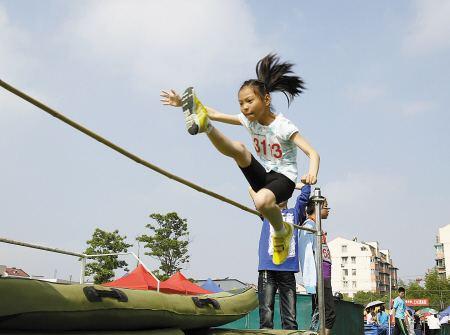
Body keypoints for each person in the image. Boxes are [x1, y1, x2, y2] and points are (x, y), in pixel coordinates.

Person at [161, 53, 320, 265]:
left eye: (249, 101)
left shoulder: (283, 126)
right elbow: (214, 112)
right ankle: (206, 128)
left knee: (262, 201)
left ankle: (281, 231)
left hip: (285, 179)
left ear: (266, 99)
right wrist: (184, 104)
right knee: (241, 150)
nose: (244, 107)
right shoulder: (248, 120)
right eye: (241, 103)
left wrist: (312, 172)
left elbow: (313, 153)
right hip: (264, 176)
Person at [257, 183, 310, 330]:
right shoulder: (267, 211)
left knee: (290, 316)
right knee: (266, 313)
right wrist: (274, 185)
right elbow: (258, 192)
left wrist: (291, 184)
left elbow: (305, 195)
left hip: (287, 268)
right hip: (268, 266)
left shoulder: (295, 212)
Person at [298, 196, 336, 335]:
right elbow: (306, 255)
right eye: (326, 206)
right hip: (318, 277)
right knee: (327, 314)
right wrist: (311, 281)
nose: (328, 209)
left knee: (323, 314)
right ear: (318, 207)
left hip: (325, 276)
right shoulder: (309, 226)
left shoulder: (316, 226)